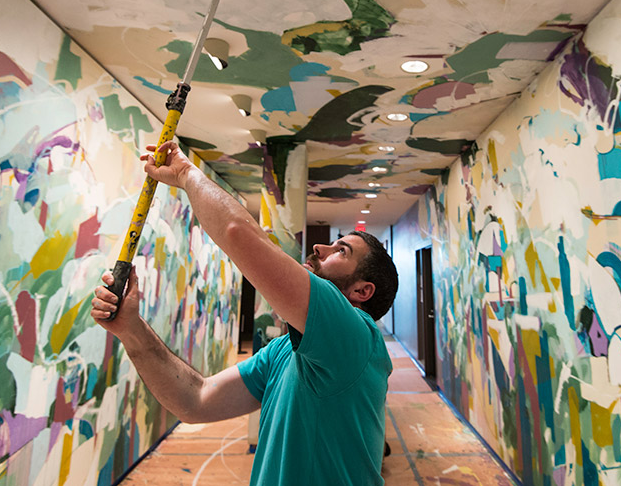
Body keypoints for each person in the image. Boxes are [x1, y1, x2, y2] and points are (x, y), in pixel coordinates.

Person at [91, 140, 399, 485]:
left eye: (341, 250)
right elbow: (195, 400)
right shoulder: (286, 350)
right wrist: (131, 329)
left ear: (361, 291)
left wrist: (185, 173)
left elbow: (238, 232)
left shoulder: (355, 334)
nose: (319, 247)